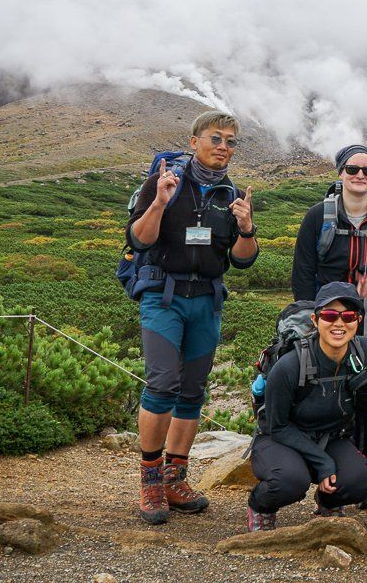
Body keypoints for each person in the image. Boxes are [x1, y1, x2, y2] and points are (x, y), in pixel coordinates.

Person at [125, 111, 259, 525]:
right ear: (195, 140)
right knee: (163, 382)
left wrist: (247, 228)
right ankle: (150, 481)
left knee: (193, 391)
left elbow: (242, 261)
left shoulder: (230, 192)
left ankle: (175, 478)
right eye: (216, 138)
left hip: (207, 299)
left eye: (231, 141)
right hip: (164, 296)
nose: (223, 146)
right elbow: (139, 239)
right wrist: (161, 203)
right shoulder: (163, 180)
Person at [291, 144, 367, 491]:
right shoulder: (318, 216)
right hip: (328, 323)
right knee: (327, 395)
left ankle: (361, 479)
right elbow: (303, 273)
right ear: (340, 172)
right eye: (353, 170)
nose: (360, 176)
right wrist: (310, 319)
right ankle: (327, 475)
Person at [246, 281, 367, 531]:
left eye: (347, 316)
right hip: (280, 438)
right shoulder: (290, 366)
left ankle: (328, 501)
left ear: (357, 320)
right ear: (315, 320)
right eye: (330, 315)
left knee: (361, 482)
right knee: (290, 481)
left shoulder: (365, 351)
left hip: (331, 437)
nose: (339, 323)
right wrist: (324, 463)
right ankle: (261, 506)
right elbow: (277, 426)